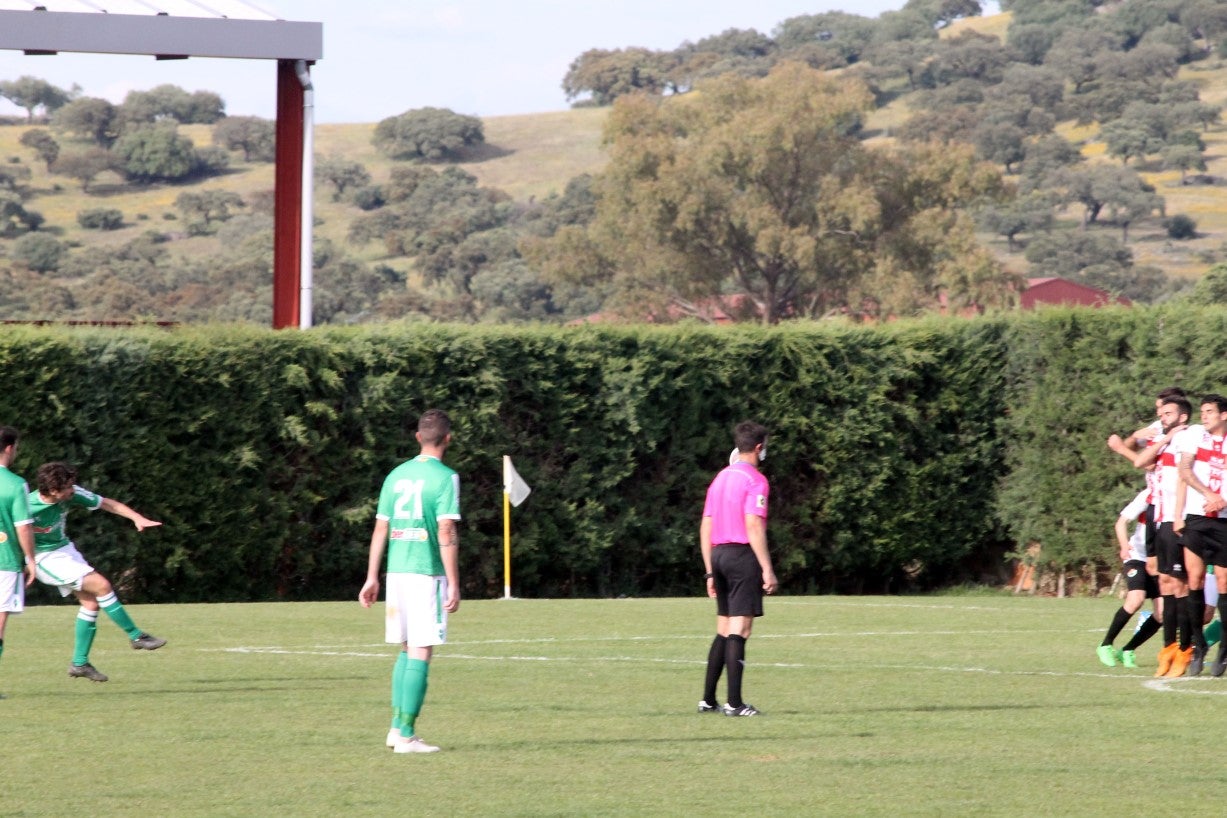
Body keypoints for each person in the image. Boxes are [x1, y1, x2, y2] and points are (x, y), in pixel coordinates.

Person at [359, 409, 461, 754]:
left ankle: (395, 728)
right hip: (424, 572)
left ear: (418, 437)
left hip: (397, 572)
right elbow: (446, 530)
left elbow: (381, 528)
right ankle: (406, 735)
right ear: (448, 439)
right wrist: (453, 581)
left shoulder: (395, 475)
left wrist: (372, 577)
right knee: (420, 650)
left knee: (406, 649)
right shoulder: (447, 478)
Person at [28, 462, 167, 683]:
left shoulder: (71, 494)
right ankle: (135, 635)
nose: (72, 491)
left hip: (65, 550)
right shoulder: (27, 506)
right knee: (102, 585)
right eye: (67, 488)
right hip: (43, 558)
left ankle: (80, 663)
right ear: (53, 491)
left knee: (91, 604)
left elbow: (107, 503)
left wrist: (136, 518)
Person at [698, 420, 778, 718]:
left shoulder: (719, 478)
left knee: (723, 629)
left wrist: (709, 570)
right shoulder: (756, 480)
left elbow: (706, 525)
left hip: (718, 555)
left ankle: (708, 700)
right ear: (759, 447)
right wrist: (767, 569)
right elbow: (753, 524)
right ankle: (734, 703)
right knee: (740, 630)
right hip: (742, 556)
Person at [1133, 394, 1193, 676]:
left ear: (1182, 416)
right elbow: (1140, 461)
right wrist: (1164, 438)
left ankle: (1185, 649)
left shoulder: (1191, 439)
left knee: (1180, 586)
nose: (1162, 418)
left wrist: (1181, 515)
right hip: (1159, 520)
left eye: (1168, 414)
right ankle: (1167, 648)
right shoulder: (1166, 441)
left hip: (1177, 520)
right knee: (1166, 583)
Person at [1175, 394, 1227, 676]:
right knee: (1193, 579)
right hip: (1197, 517)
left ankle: (1224, 650)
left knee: (1223, 582)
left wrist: (1223, 501)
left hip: (1224, 520)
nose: (1203, 416)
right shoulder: (1195, 435)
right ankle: (1198, 645)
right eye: (1203, 411)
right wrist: (1209, 494)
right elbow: (1184, 469)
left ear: (1224, 415)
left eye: (1209, 412)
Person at [1098, 488, 1162, 668]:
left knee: (1162, 613)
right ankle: (1106, 645)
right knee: (1136, 599)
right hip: (1138, 557)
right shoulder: (1149, 494)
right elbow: (1121, 523)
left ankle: (1127, 650)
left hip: (1160, 562)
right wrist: (1124, 546)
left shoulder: (1184, 499)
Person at [0, 428, 37, 677]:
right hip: (5, 561)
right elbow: (23, 527)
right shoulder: (15, 484)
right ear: (10, 448)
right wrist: (31, 560)